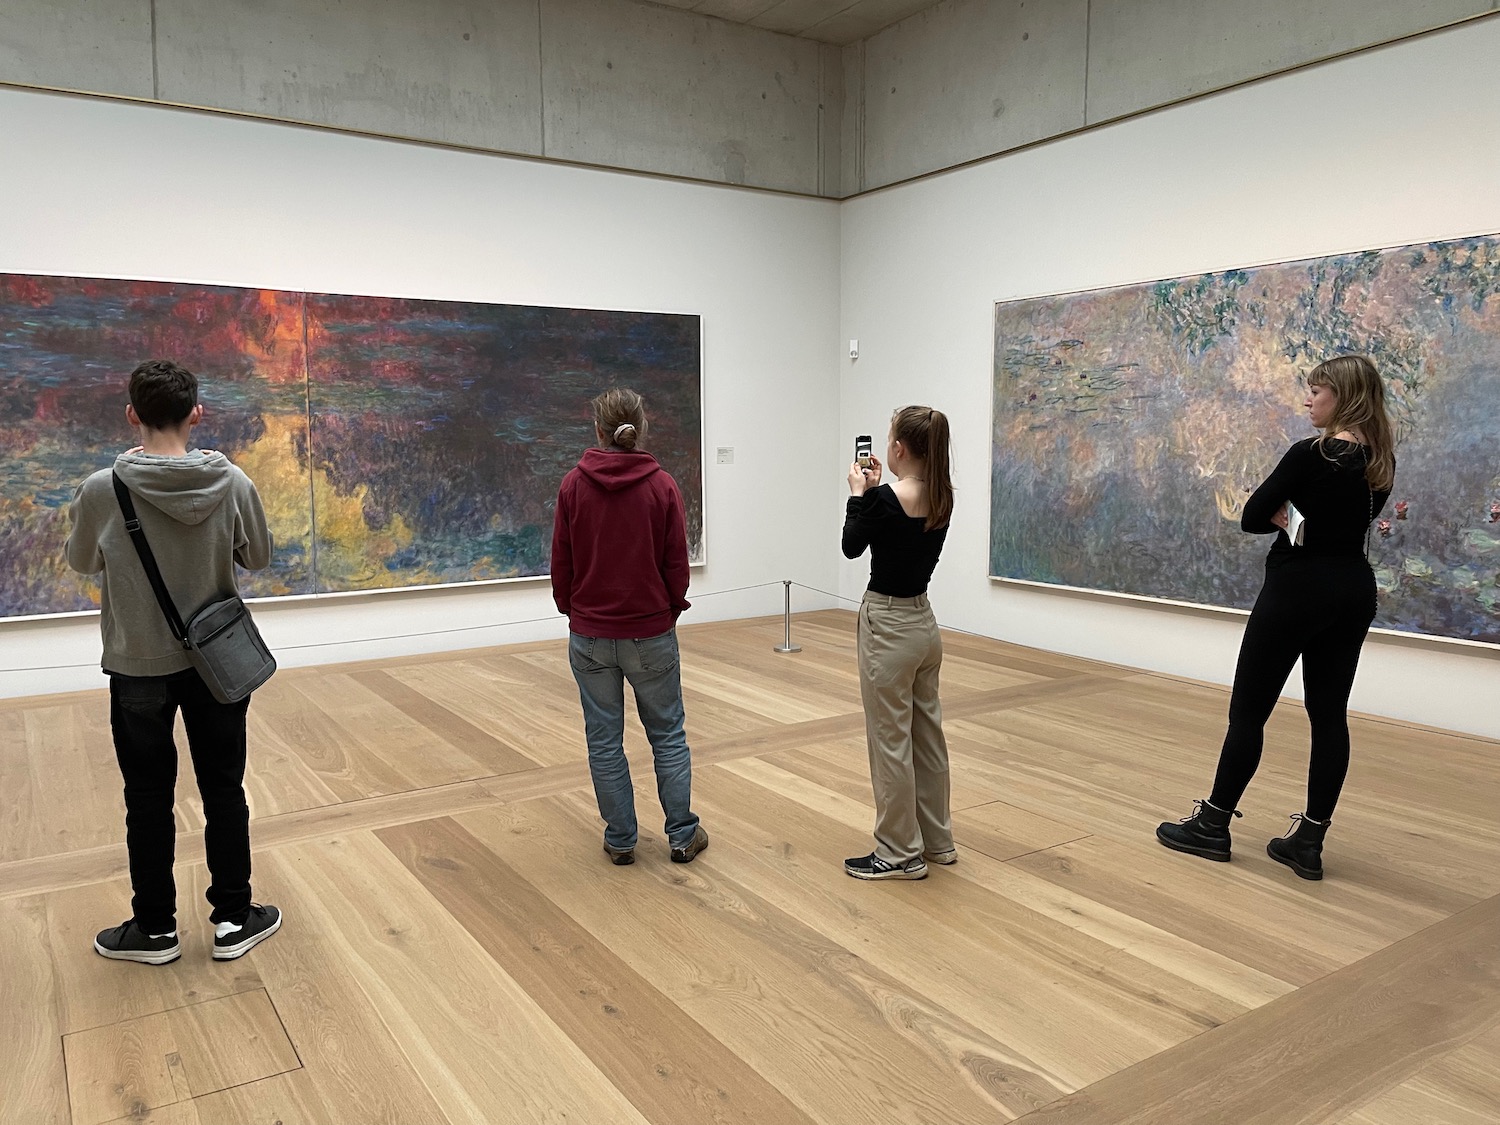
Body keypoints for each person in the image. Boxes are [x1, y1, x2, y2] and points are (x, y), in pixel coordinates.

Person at [64, 359, 281, 964]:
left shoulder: (101, 489)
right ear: (196, 414)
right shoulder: (232, 481)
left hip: (136, 665)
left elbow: (83, 562)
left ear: (132, 413)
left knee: (147, 795)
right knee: (223, 789)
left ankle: (155, 927)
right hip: (217, 664)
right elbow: (257, 556)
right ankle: (235, 919)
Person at [1157, 355, 1396, 880]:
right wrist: (1305, 522)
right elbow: (1344, 527)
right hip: (1353, 590)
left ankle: (1212, 825)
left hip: (1296, 590)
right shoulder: (1380, 462)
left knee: (1249, 712)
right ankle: (1308, 842)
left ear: (1344, 397)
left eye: (1318, 391)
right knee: (1329, 716)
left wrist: (1285, 517)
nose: (1309, 400)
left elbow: (1249, 516)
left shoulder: (1311, 454)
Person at [551, 387, 706, 866]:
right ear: (640, 429)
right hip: (650, 634)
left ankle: (620, 839)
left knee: (603, 740)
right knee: (668, 735)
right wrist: (666, 610)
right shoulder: (661, 486)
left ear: (598, 431)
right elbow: (676, 565)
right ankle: (682, 834)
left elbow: (563, 565)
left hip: (591, 635)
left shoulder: (573, 486)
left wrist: (574, 610)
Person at [842, 406, 955, 880]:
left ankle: (898, 851)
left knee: (890, 739)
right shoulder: (942, 495)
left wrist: (856, 494)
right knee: (927, 737)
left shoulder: (884, 499)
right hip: (925, 625)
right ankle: (936, 841)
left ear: (897, 449)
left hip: (888, 626)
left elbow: (851, 545)